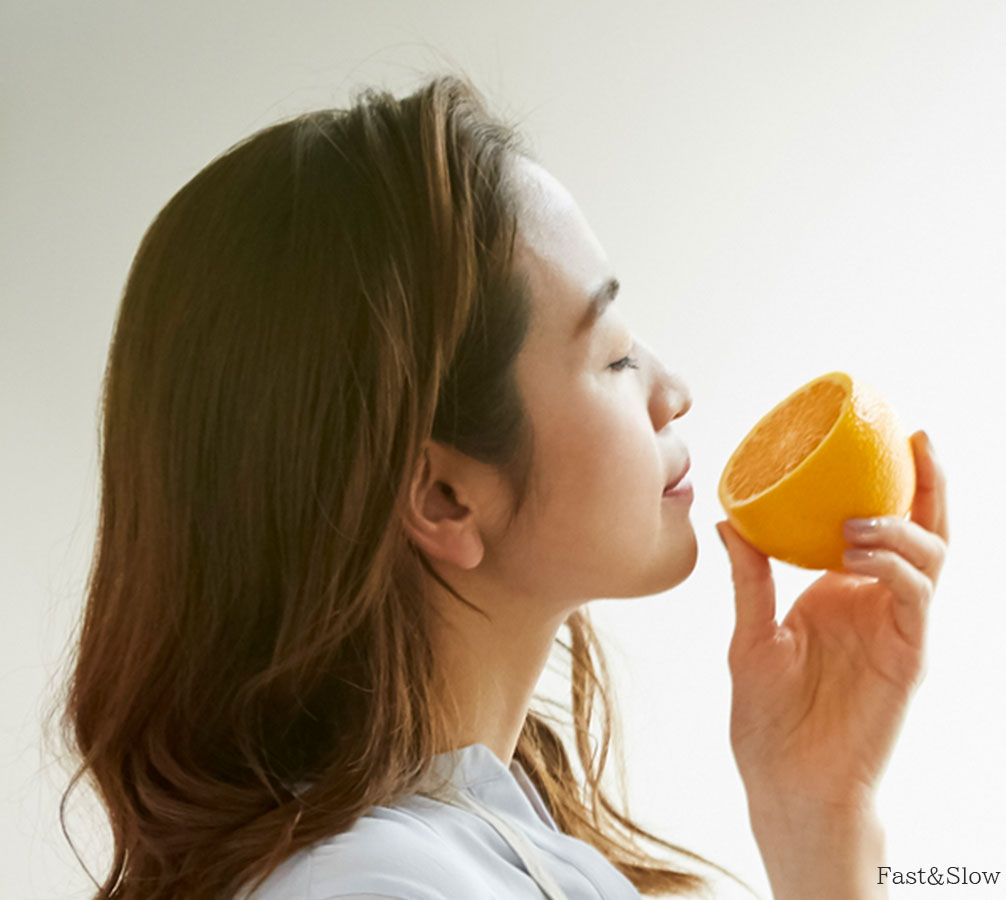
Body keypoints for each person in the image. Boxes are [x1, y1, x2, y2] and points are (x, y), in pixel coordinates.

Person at [57, 72, 949, 900]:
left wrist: (819, 814)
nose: (672, 392)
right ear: (443, 497)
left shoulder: (477, 842)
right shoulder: (386, 888)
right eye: (614, 355)